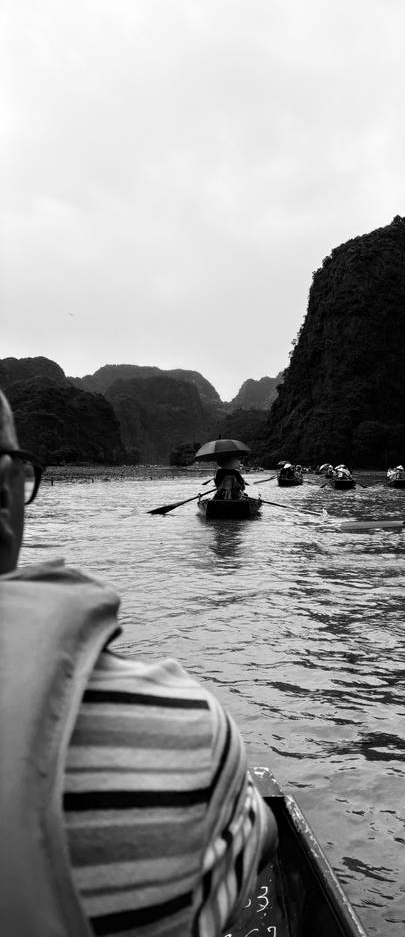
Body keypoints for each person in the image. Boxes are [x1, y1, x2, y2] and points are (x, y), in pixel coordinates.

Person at [0, 389, 277, 935]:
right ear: (8, 496)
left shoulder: (232, 479)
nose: (226, 474)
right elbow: (265, 836)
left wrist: (222, 491)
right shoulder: (186, 727)